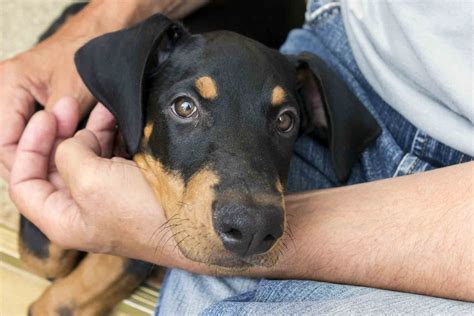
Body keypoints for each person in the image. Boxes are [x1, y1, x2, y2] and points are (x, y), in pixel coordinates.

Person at [1, 0, 472, 314]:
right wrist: (93, 24)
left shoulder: (304, 85)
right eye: (187, 106)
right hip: (358, 44)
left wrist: (153, 237)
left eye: (284, 120)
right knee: (45, 256)